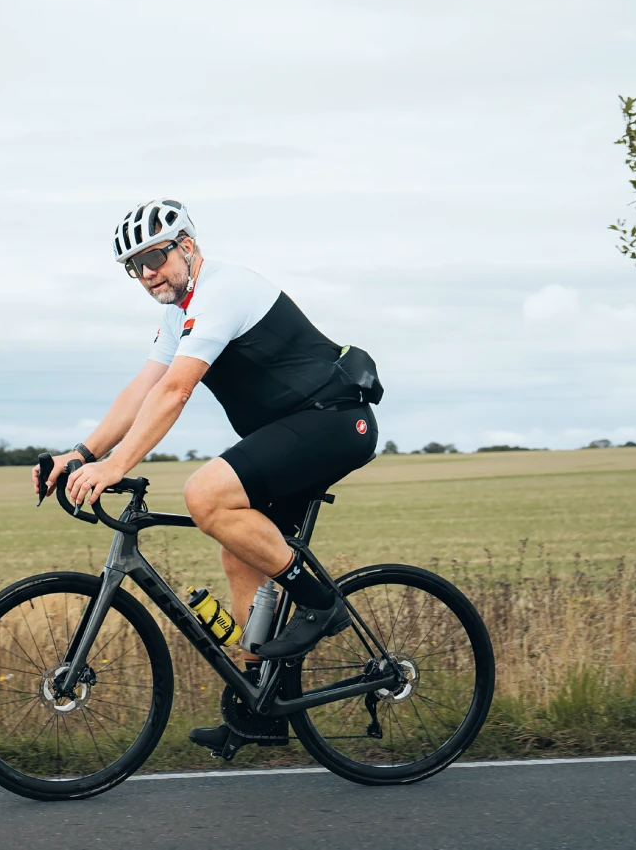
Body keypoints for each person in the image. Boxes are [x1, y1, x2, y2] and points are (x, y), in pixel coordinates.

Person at [31, 199, 381, 746]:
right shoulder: (178, 313)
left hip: (332, 421)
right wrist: (79, 452)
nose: (147, 275)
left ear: (186, 247)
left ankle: (321, 604)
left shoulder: (222, 290)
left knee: (205, 495)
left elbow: (176, 390)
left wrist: (116, 465)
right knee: (239, 550)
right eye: (135, 267)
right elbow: (142, 389)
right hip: (297, 428)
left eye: (154, 258)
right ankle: (263, 703)